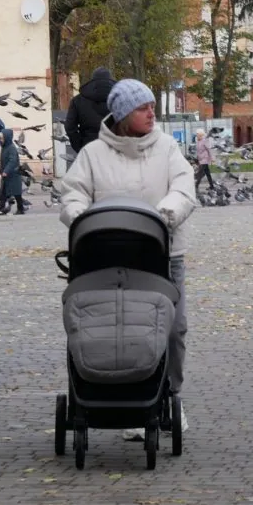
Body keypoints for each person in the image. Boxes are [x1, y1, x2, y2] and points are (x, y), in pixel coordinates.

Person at [59, 78, 197, 439]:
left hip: (162, 254)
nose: (152, 112)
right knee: (113, 327)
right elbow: (73, 193)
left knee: (173, 329)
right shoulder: (93, 155)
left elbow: (184, 189)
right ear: (122, 115)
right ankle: (117, 397)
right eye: (142, 108)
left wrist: (164, 215)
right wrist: (80, 221)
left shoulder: (167, 149)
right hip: (104, 255)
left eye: (152, 105)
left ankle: (168, 395)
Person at [65, 67, 116, 153]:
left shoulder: (78, 100)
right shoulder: (120, 100)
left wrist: (79, 146)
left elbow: (70, 127)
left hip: (88, 147)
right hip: (115, 148)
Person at [0, 128, 25, 215]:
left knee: (17, 193)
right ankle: (1, 209)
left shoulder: (11, 148)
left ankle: (21, 209)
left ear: (7, 138)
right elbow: (3, 160)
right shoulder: (4, 147)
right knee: (3, 192)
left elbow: (12, 161)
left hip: (13, 174)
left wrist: (6, 171)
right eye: (0, 138)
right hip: (6, 174)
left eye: (2, 138)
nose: (0, 140)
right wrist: (0, 169)